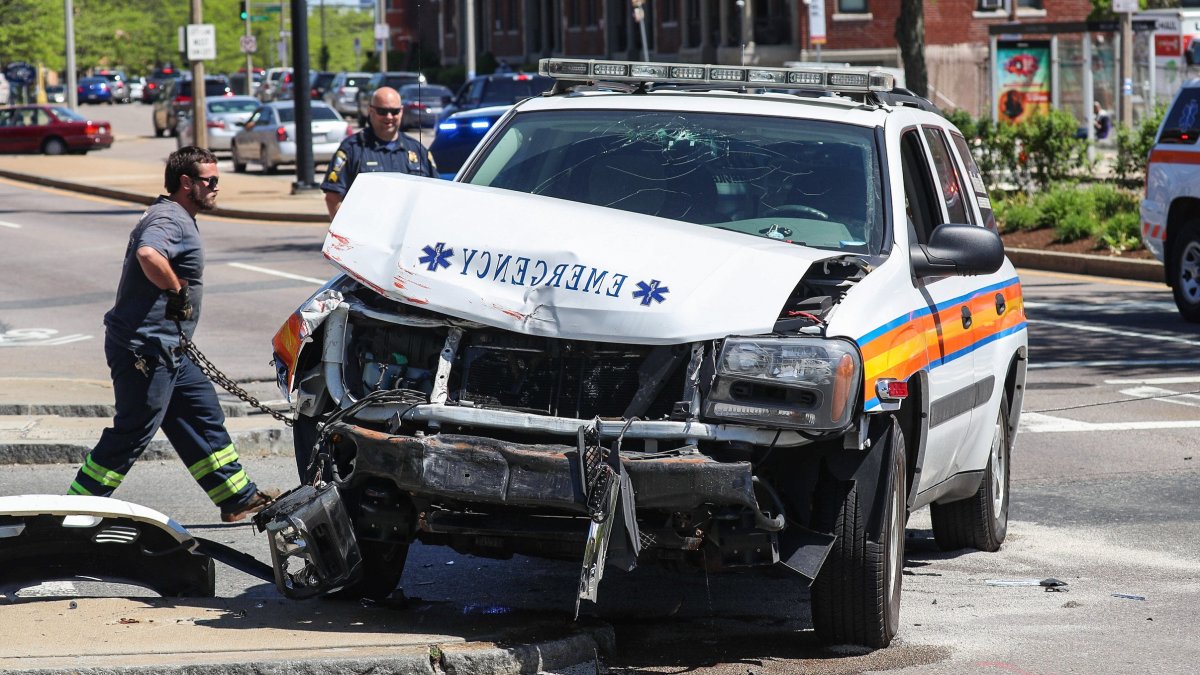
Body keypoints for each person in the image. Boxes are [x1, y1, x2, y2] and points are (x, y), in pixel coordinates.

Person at [68, 146, 278, 523]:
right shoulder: (171, 219)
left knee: (201, 414)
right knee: (133, 432)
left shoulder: (176, 215)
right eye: (209, 181)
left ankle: (237, 498)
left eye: (217, 180)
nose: (216, 187)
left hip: (170, 350)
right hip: (145, 350)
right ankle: (74, 510)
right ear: (186, 183)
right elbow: (149, 254)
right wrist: (176, 291)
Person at [321, 86, 437, 220]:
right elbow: (333, 197)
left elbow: (434, 194)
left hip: (409, 235)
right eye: (382, 111)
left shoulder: (417, 150)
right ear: (371, 111)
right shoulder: (353, 148)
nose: (389, 117)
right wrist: (346, 236)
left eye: (394, 111)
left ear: (401, 111)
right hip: (367, 235)